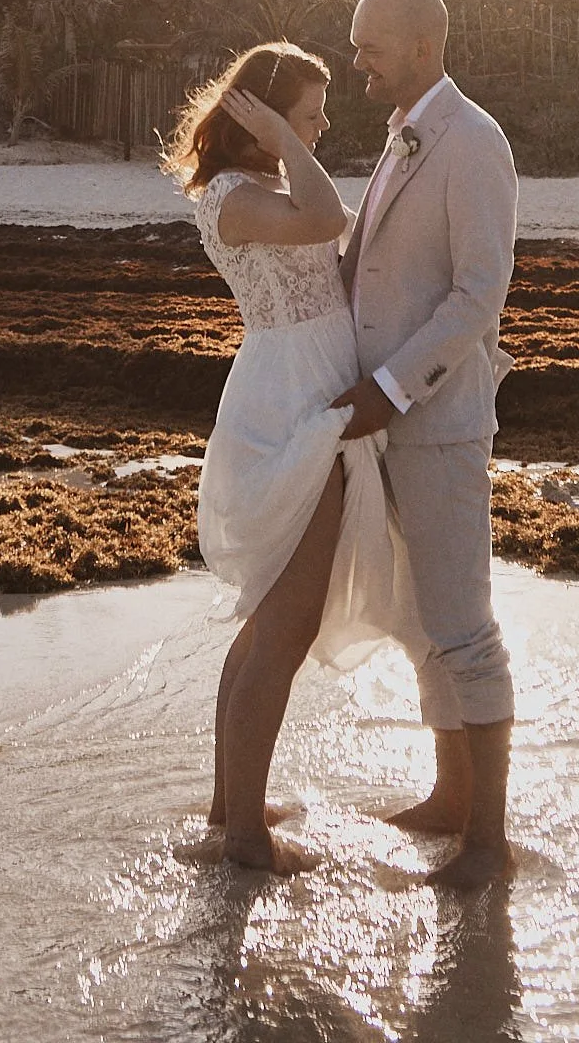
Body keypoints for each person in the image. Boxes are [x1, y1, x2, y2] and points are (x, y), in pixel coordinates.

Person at [164, 42, 426, 874]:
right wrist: (289, 139)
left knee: (269, 620)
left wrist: (289, 142)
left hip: (306, 384)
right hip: (291, 405)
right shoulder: (237, 196)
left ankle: (227, 803)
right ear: (262, 116)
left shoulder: (263, 185)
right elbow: (328, 221)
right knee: (284, 622)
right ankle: (243, 838)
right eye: (308, 113)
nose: (321, 127)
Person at [334, 0, 519, 888]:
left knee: (464, 628)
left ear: (419, 45)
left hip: (437, 425)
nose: (355, 58)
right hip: (387, 426)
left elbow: (478, 294)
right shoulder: (403, 136)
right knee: (419, 623)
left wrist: (391, 390)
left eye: (368, 42)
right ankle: (449, 798)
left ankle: (488, 841)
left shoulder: (473, 141)